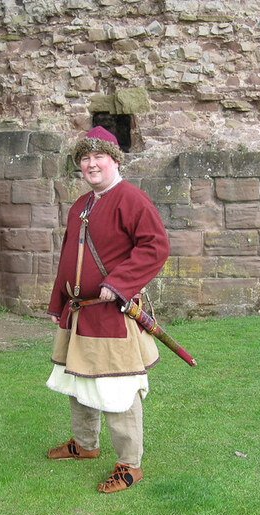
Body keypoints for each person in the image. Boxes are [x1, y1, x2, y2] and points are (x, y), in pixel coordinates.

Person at [45, 126, 170, 493]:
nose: (91, 164)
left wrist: (118, 284)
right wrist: (58, 302)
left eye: (98, 156)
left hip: (110, 315)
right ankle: (84, 445)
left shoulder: (131, 199)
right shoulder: (80, 206)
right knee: (77, 381)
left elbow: (154, 247)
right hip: (78, 313)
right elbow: (68, 258)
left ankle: (129, 465)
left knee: (117, 390)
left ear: (114, 160)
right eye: (85, 158)